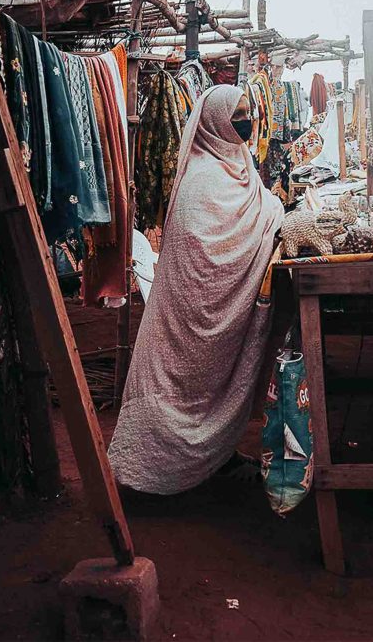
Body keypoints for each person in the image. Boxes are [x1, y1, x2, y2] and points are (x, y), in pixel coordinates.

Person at [108, 85, 286, 493]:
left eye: (248, 111)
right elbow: (204, 254)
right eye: (238, 113)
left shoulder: (239, 165)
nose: (248, 120)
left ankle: (214, 458)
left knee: (207, 392)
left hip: (218, 312)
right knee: (175, 388)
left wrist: (270, 218)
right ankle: (147, 473)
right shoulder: (200, 180)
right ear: (215, 121)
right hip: (188, 317)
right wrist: (265, 229)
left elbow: (260, 211)